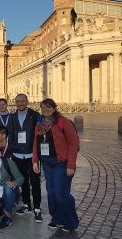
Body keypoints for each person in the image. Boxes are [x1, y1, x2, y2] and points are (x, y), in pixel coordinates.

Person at [33, 98, 79, 232]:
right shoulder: (40, 124)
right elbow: (36, 143)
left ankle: (70, 222)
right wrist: (35, 160)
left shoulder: (63, 122)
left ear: (54, 108)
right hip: (47, 164)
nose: (45, 110)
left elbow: (73, 143)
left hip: (62, 163)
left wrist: (71, 165)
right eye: (43, 107)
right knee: (51, 193)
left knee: (61, 194)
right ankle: (57, 218)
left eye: (48, 107)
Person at [9, 94, 42, 222]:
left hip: (31, 155)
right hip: (17, 155)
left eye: (23, 101)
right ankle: (27, 204)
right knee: (23, 182)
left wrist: (37, 153)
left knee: (35, 182)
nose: (20, 103)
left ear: (27, 101)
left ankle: (37, 208)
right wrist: (13, 148)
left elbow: (40, 134)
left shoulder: (35, 115)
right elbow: (10, 134)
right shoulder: (12, 117)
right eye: (18, 101)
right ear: (15, 102)